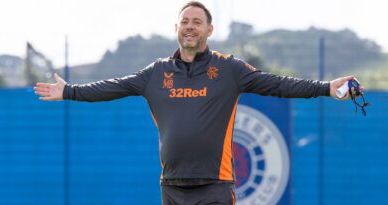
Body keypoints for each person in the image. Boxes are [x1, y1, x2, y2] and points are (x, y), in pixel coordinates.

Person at [34, 1, 363, 204]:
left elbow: (278, 84)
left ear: (210, 29)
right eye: (185, 21)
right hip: (172, 187)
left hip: (214, 187)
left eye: (197, 22)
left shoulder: (230, 69)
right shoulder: (156, 73)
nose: (190, 26)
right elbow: (114, 86)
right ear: (176, 28)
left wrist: (325, 87)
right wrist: (69, 91)